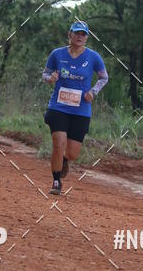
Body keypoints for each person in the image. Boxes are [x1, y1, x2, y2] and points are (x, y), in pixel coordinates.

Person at [42, 20, 108, 195]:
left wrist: (93, 92)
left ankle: (64, 160)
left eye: (83, 34)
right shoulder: (57, 54)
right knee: (58, 143)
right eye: (77, 33)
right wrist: (50, 78)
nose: (80, 36)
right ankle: (56, 181)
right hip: (58, 107)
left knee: (72, 153)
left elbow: (104, 78)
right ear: (69, 34)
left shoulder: (93, 57)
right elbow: (45, 73)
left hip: (81, 110)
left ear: (86, 38)